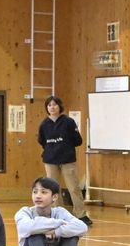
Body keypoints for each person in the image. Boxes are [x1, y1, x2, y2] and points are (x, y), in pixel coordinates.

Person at [14, 176, 87, 246]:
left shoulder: (60, 212)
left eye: (43, 192)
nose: (38, 195)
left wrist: (57, 231)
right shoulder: (25, 212)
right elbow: (26, 227)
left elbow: (82, 227)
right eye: (35, 192)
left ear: (54, 197)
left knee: (72, 235)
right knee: (34, 232)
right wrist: (57, 223)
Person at [38, 95, 93, 226]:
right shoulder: (44, 124)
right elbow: (42, 141)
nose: (52, 107)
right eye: (49, 105)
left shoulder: (68, 122)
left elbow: (77, 140)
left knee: (73, 187)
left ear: (60, 106)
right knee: (52, 188)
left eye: (54, 105)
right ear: (47, 108)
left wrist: (65, 145)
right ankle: (58, 213)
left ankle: (81, 214)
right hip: (50, 159)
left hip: (67, 159)